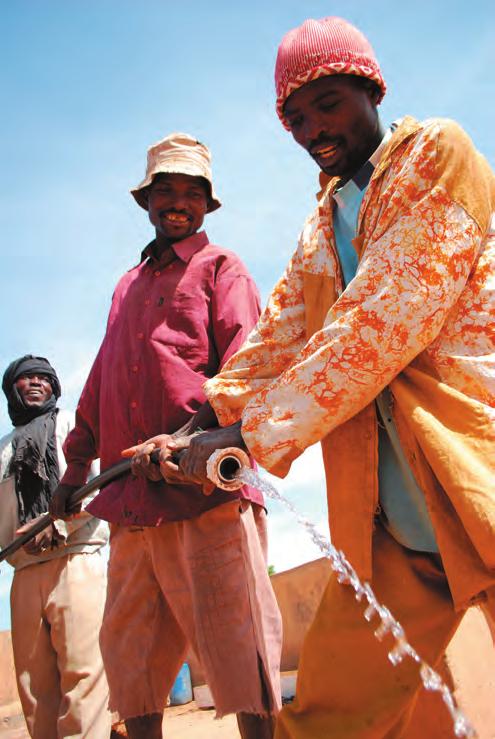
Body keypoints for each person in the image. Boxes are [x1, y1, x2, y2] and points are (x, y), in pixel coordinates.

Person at [145, 17, 495, 738]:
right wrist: (199, 419)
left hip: (477, 472)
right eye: (295, 118)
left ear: (370, 89)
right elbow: (279, 335)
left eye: (327, 104)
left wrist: (250, 433)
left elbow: (380, 320)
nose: (311, 130)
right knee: (325, 719)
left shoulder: (437, 154)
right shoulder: (322, 222)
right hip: (398, 522)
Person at [50, 133, 282, 739]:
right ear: (146, 201)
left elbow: (246, 367)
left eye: (192, 193)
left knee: (240, 656)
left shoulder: (221, 268)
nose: (178, 202)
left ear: (207, 204)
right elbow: (102, 381)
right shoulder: (126, 286)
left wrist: (187, 438)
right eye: (166, 191)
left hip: (206, 493)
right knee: (133, 665)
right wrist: (75, 469)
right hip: (132, 504)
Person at [0, 355, 111, 739]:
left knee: (85, 679)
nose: (34, 382)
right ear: (10, 390)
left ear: (54, 387)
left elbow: (101, 488)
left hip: (76, 560)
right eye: (25, 377)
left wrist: (57, 522)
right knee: (34, 689)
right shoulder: (1, 449)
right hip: (23, 574)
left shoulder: (72, 428)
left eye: (43, 378)